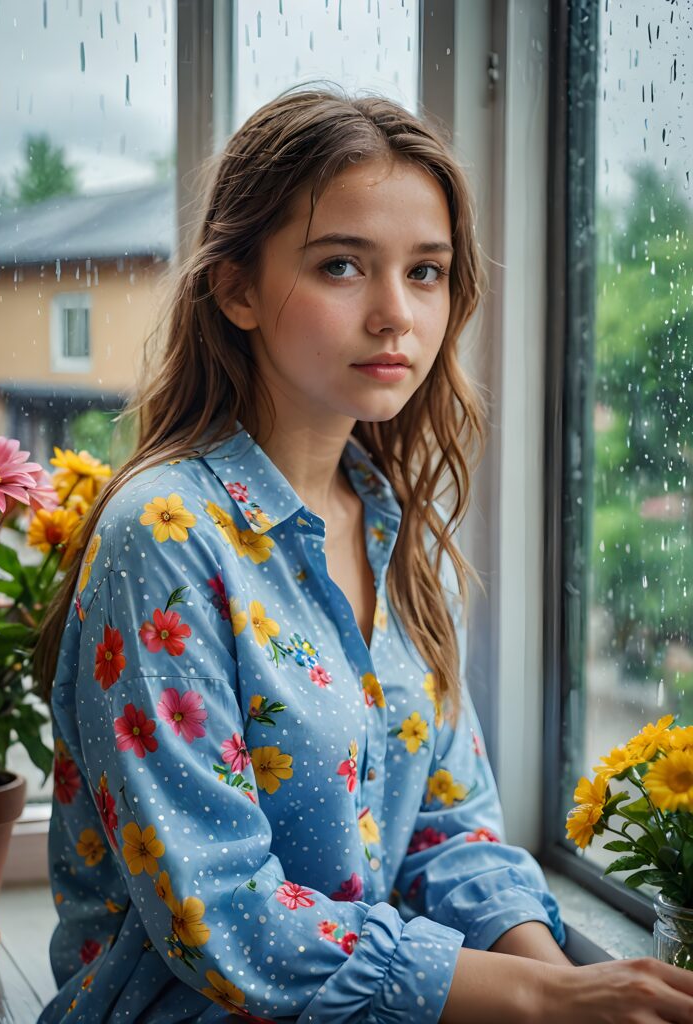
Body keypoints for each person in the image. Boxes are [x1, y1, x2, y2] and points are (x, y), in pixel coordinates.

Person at [34, 85, 693, 1023]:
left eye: (426, 271)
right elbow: (223, 918)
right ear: (237, 289)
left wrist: (567, 983)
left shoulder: (398, 528)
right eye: (343, 266)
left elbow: (446, 829)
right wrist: (544, 1000)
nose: (397, 314)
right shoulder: (165, 536)